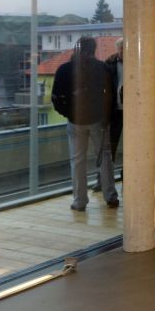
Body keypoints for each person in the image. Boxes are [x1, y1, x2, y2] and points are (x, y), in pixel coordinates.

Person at [51, 36, 118, 211]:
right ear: (93, 50)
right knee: (105, 158)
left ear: (76, 49)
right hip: (99, 120)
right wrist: (106, 117)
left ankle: (79, 201)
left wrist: (68, 113)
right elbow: (110, 95)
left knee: (77, 161)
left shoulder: (64, 69)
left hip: (75, 121)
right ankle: (110, 196)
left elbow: (56, 98)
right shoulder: (102, 68)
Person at [104, 38, 124, 184]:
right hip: (114, 111)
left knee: (132, 146)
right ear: (117, 49)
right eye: (121, 49)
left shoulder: (137, 64)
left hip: (132, 112)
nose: (123, 52)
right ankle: (104, 180)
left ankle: (128, 176)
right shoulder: (109, 64)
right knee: (110, 146)